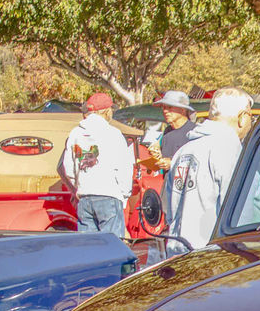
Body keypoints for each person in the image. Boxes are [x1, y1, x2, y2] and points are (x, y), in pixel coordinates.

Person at [165, 87, 254, 250]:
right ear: (242, 117)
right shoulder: (230, 150)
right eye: (250, 116)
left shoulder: (183, 151)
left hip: (176, 253)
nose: (250, 122)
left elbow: (169, 211)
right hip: (212, 257)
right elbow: (241, 218)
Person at [60, 92, 134, 238]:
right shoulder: (113, 134)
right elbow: (124, 168)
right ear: (106, 111)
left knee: (89, 247)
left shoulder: (75, 134)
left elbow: (67, 168)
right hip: (109, 195)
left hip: (85, 198)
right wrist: (124, 195)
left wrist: (79, 186)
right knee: (112, 247)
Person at [147, 90, 197, 171]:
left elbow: (198, 161)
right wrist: (157, 156)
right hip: (168, 182)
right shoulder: (167, 132)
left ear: (183, 110)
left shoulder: (194, 132)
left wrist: (172, 163)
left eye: (170, 107)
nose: (165, 111)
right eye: (163, 107)